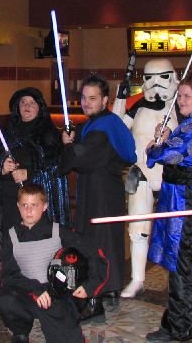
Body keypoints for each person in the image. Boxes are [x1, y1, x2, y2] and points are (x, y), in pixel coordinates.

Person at [145, 71, 192, 343]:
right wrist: (167, 137)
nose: (181, 101)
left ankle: (177, 328)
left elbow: (172, 154)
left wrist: (155, 148)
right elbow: (181, 148)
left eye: (187, 96)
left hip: (190, 200)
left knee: (185, 262)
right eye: (179, 96)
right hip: (191, 196)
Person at [59, 74, 136, 322]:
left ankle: (97, 293)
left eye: (92, 98)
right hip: (103, 189)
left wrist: (68, 147)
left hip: (99, 193)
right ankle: (109, 286)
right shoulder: (104, 123)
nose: (86, 102)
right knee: (107, 238)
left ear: (104, 100)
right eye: (83, 97)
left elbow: (81, 157)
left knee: (97, 240)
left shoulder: (103, 128)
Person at [0, 184, 108, 343]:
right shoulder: (11, 236)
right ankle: (21, 331)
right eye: (24, 205)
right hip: (26, 289)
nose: (28, 210)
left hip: (55, 293)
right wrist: (35, 288)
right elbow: (9, 275)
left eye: (34, 205)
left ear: (44, 206)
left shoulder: (57, 231)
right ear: (18, 206)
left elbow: (94, 252)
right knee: (6, 302)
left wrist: (90, 286)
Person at [0, 87, 70, 298]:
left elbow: (57, 167)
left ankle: (41, 289)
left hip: (36, 206)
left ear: (39, 107)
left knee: (33, 248)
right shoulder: (7, 133)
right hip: (9, 203)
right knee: (9, 247)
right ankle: (7, 289)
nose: (27, 106)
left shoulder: (49, 134)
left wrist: (29, 174)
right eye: (23, 103)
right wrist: (1, 167)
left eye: (32, 103)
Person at [112, 58, 179, 299]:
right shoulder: (138, 106)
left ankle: (177, 282)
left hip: (171, 175)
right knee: (137, 228)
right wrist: (121, 99)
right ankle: (137, 279)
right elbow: (116, 127)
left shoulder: (180, 106)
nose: (156, 83)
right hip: (140, 171)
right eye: (150, 77)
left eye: (162, 77)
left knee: (175, 230)